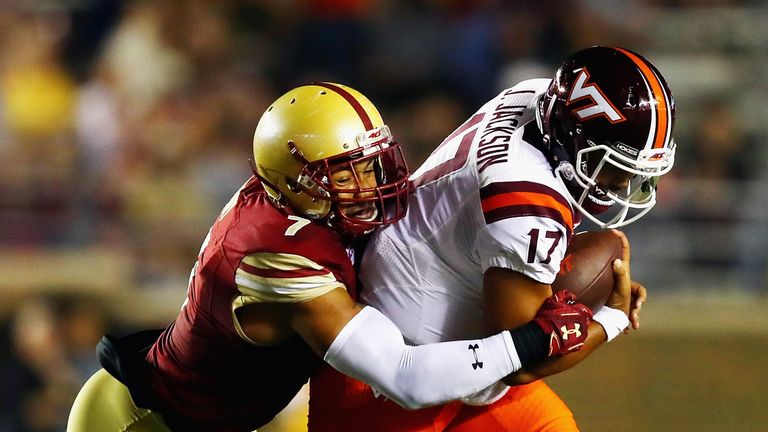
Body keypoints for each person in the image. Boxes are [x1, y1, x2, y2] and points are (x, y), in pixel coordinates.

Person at [66, 82, 595, 432]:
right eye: (345, 173)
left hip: (233, 417)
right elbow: (404, 377)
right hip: (146, 422)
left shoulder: (301, 203)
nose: (370, 185)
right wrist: (534, 339)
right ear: (294, 182)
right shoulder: (276, 252)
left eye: (372, 164)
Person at [308, 46, 676, 431]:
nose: (623, 186)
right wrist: (611, 318)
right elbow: (523, 358)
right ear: (571, 136)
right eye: (613, 168)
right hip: (391, 376)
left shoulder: (536, 96)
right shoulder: (526, 203)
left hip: (451, 342)